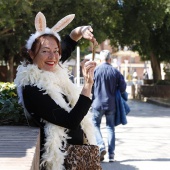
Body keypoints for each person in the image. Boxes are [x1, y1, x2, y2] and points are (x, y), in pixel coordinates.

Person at [14, 12, 97, 170]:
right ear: (31, 54)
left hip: (78, 157)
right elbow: (70, 121)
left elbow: (71, 39)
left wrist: (83, 30)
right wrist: (87, 84)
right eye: (45, 51)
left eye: (56, 51)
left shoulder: (53, 67)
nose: (52, 56)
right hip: (60, 161)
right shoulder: (31, 87)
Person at [91, 50, 127, 162]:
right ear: (110, 60)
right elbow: (123, 88)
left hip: (97, 103)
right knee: (110, 127)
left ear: (100, 60)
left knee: (95, 125)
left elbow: (90, 88)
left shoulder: (95, 71)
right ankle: (111, 155)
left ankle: (101, 146)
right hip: (111, 104)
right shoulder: (115, 71)